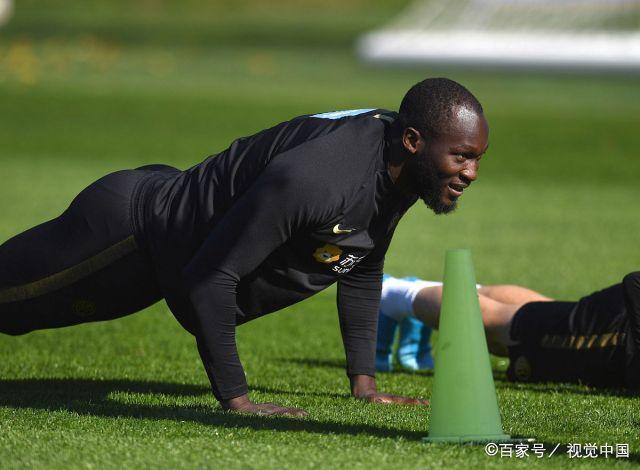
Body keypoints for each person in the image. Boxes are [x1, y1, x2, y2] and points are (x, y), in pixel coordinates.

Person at [0, 78, 489, 416]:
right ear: (412, 140)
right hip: (125, 233)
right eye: (462, 157)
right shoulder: (321, 178)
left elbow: (361, 267)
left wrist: (364, 386)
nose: (471, 173)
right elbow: (209, 280)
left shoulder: (399, 168)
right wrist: (238, 399)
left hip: (159, 255)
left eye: (478, 158)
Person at [378, 272, 640, 388]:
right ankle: (391, 295)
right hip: (616, 340)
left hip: (617, 332)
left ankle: (423, 290)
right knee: (504, 328)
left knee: (536, 315)